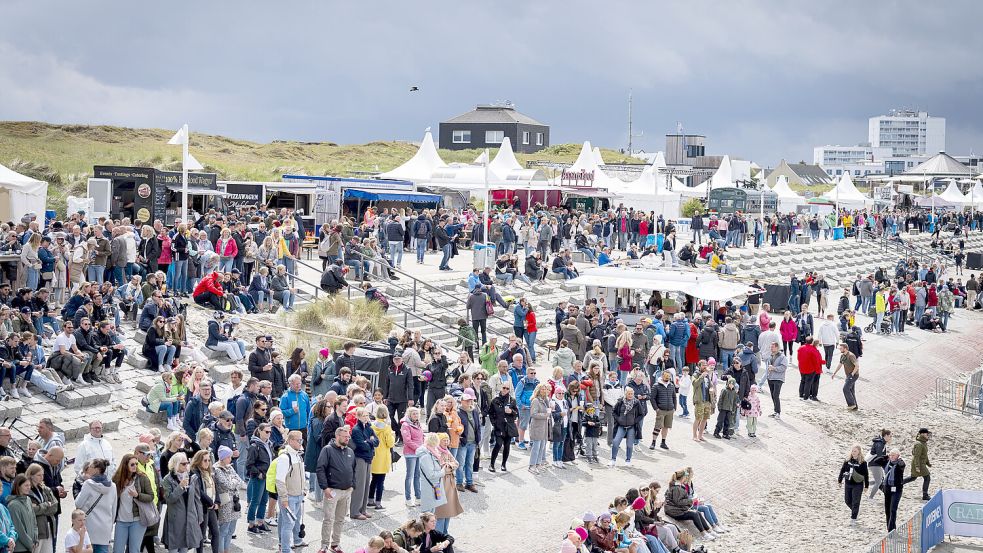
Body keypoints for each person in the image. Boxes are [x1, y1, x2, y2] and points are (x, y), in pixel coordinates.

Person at [317, 425, 356, 553]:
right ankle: (324, 545)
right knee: (328, 519)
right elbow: (320, 469)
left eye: (348, 437)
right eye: (345, 437)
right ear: (337, 436)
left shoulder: (350, 451)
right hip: (332, 491)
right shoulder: (327, 450)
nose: (347, 439)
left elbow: (354, 469)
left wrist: (352, 485)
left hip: (346, 491)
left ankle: (335, 544)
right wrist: (325, 488)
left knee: (340, 519)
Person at [110, 453, 152, 553]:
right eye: (132, 464)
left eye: (136, 464)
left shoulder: (142, 478)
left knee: (134, 550)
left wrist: (137, 495)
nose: (135, 466)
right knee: (117, 550)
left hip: (137, 520)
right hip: (121, 520)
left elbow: (151, 496)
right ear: (125, 465)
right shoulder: (117, 479)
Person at [73, 459, 116, 553]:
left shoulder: (88, 484)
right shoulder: (112, 486)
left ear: (97, 469)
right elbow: (114, 510)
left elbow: (78, 503)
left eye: (91, 467)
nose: (89, 468)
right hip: (105, 527)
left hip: (89, 526)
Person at [275, 431, 307, 552]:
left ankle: (297, 541)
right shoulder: (284, 457)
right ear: (290, 441)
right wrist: (284, 498)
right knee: (288, 525)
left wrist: (304, 489)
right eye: (298, 440)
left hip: (298, 495)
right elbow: (279, 480)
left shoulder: (298, 455)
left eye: (301, 440)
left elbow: (302, 475)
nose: (301, 443)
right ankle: (285, 549)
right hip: (289, 497)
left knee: (292, 521)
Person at [212, 447, 241, 553]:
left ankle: (226, 550)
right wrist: (233, 481)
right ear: (223, 458)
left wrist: (233, 481)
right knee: (223, 530)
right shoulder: (216, 469)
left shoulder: (229, 467)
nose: (230, 459)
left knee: (231, 530)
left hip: (234, 502)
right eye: (228, 457)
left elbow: (239, 480)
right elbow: (227, 484)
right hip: (225, 503)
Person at [369, 406, 396, 510]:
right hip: (383, 456)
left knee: (374, 479)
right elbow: (390, 443)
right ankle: (378, 502)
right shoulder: (386, 427)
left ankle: (370, 499)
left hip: (374, 455)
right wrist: (393, 437)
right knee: (381, 481)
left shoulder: (372, 426)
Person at [609, 386, 643, 467]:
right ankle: (613, 460)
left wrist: (634, 421)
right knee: (615, 442)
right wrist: (618, 419)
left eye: (632, 393)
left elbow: (641, 414)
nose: (630, 395)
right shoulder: (620, 401)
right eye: (629, 393)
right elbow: (613, 412)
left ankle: (628, 460)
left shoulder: (636, 402)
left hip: (631, 427)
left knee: (629, 445)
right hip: (621, 426)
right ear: (625, 393)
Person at [837, 445, 869, 524]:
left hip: (858, 484)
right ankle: (856, 511)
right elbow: (842, 470)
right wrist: (840, 480)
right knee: (847, 501)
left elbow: (866, 474)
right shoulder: (847, 460)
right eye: (852, 451)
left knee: (856, 502)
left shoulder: (863, 462)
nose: (853, 453)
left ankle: (853, 518)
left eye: (855, 451)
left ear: (859, 452)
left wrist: (866, 486)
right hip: (848, 483)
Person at [7, 474, 37, 553]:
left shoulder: (28, 499)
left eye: (29, 485)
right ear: (18, 486)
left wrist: (35, 538)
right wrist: (30, 544)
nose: (29, 487)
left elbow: (34, 521)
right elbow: (18, 529)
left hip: (31, 545)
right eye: (26, 485)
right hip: (20, 548)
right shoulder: (13, 505)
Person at [878, 449, 906, 531]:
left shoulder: (899, 464)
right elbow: (876, 461)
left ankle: (891, 530)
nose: (891, 456)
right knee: (887, 510)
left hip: (897, 490)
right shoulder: (886, 462)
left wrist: (899, 459)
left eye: (893, 455)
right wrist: (886, 456)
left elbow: (902, 464)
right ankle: (890, 528)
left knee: (893, 509)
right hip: (887, 489)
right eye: (891, 455)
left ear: (898, 456)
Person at [904, 428, 933, 501]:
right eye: (927, 434)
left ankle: (899, 483)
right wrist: (917, 467)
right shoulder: (919, 444)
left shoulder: (923, 443)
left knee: (913, 478)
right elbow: (916, 456)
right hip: (918, 464)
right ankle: (925, 495)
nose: (928, 435)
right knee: (927, 477)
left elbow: (925, 455)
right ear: (922, 434)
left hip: (922, 463)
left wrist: (928, 463)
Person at [831, 343, 860, 411]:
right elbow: (840, 364)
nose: (840, 350)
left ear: (845, 348)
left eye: (841, 348)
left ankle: (851, 404)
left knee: (845, 389)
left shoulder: (851, 355)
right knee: (851, 390)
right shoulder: (842, 355)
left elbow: (857, 366)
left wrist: (852, 374)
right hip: (849, 375)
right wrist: (834, 373)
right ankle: (855, 406)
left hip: (854, 375)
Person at [867, 430, 892, 500]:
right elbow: (880, 457)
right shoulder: (880, 444)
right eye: (890, 436)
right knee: (878, 482)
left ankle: (864, 484)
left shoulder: (881, 443)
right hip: (874, 464)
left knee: (879, 480)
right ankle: (870, 497)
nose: (891, 438)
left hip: (876, 464)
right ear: (886, 436)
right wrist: (887, 458)